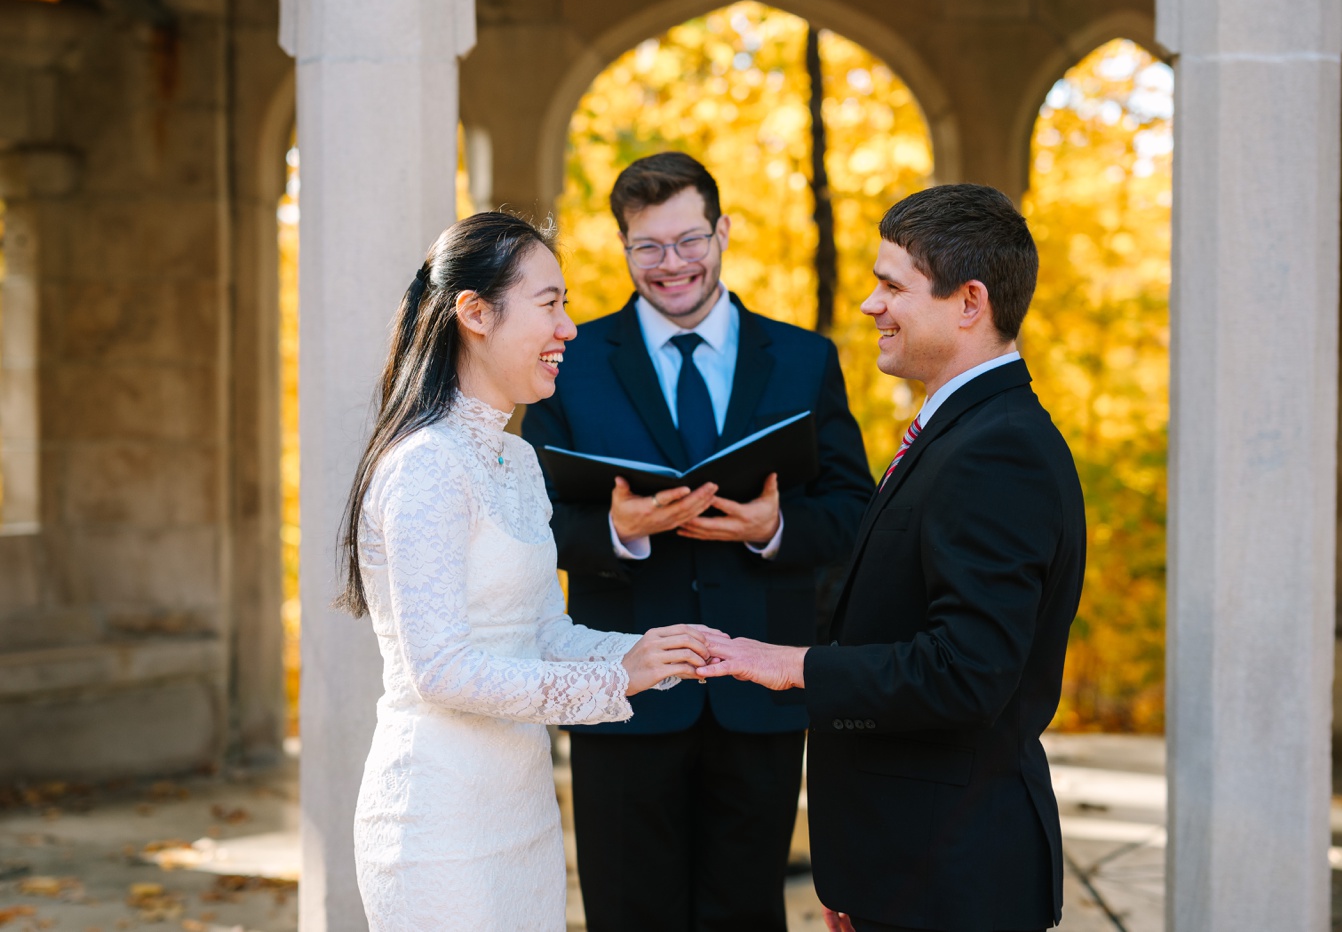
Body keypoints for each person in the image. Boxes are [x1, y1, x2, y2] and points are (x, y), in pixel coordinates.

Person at [703, 183, 1086, 932]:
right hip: (908, 870)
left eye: (892, 285)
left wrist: (795, 665)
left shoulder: (998, 450)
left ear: (969, 302)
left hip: (954, 880)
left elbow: (967, 672)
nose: (871, 305)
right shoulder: (961, 432)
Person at [341, 210, 726, 932]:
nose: (569, 328)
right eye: (550, 303)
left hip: (523, 816)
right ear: (475, 313)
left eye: (567, 304)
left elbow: (544, 632)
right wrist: (619, 678)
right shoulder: (424, 465)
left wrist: (650, 653)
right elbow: (444, 671)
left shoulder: (516, 459)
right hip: (438, 826)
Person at [520, 151, 873, 932]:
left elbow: (856, 509)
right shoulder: (569, 363)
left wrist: (773, 529)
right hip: (623, 691)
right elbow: (527, 523)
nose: (671, 264)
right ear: (622, 248)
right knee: (626, 914)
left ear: (723, 232)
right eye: (647, 246)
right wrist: (619, 529)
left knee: (746, 915)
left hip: (761, 692)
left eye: (688, 241)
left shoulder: (805, 358)